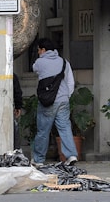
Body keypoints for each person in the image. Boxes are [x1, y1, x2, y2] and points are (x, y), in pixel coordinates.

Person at [31, 37, 78, 167]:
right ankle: (71, 155)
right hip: (63, 100)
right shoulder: (64, 62)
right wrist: (66, 96)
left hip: (48, 102)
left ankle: (38, 159)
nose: (38, 52)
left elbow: (35, 69)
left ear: (43, 50)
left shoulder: (39, 62)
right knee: (65, 128)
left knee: (43, 131)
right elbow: (70, 82)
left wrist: (41, 59)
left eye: (39, 50)